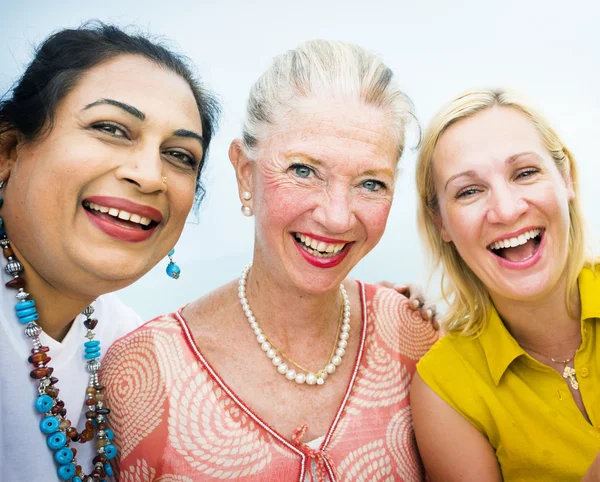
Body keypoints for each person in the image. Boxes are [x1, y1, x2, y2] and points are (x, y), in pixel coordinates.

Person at [101, 40, 439, 481]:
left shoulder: (414, 335)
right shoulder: (142, 370)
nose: (337, 217)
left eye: (371, 183)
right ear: (245, 173)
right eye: (303, 170)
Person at [0, 23, 219, 481]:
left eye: (180, 155)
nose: (149, 175)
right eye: (112, 128)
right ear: (10, 150)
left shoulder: (128, 345)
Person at [411, 88, 600, 481]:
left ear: (566, 180)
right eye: (469, 191)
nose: (507, 209)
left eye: (525, 173)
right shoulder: (444, 386)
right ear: (441, 223)